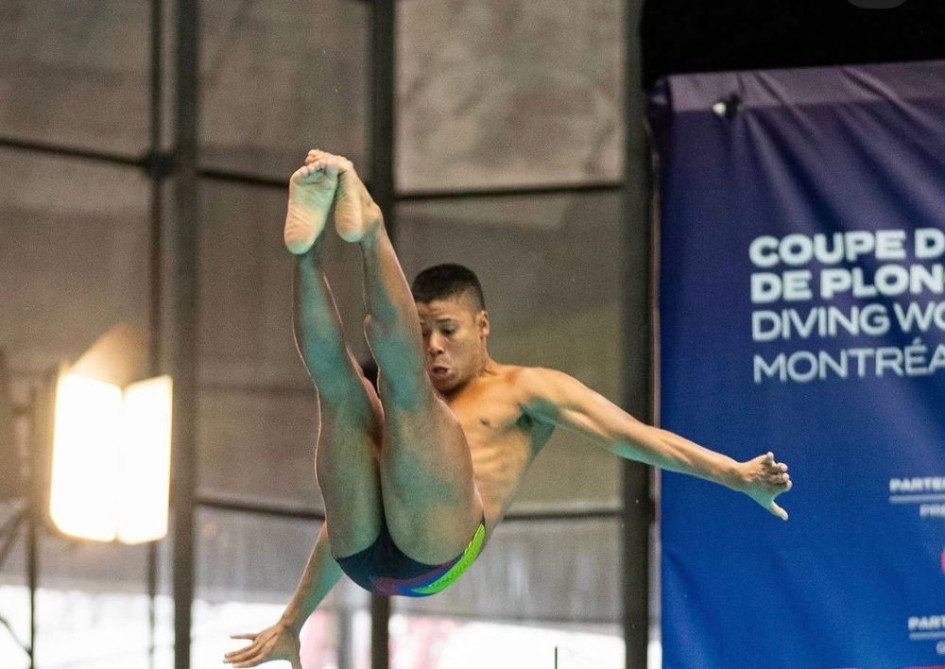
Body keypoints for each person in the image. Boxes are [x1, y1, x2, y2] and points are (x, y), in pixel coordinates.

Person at [223, 150, 792, 669]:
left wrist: (733, 473)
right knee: (343, 388)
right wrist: (292, 621)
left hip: (440, 554)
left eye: (447, 330)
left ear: (483, 325)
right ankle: (306, 251)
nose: (435, 347)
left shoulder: (526, 391)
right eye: (421, 333)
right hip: (361, 557)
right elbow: (344, 510)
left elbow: (632, 437)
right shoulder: (411, 397)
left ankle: (370, 230)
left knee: (403, 389)